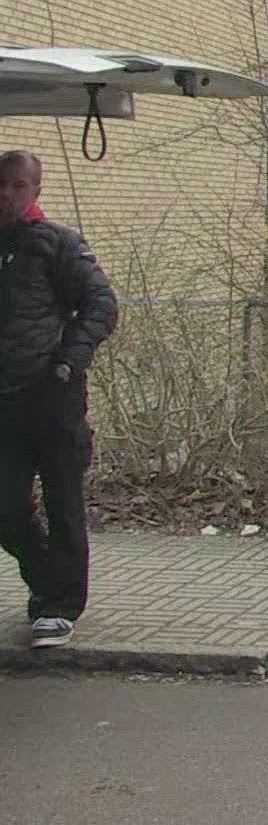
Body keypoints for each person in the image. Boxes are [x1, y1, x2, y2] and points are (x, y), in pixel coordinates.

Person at [0, 150, 117, 649]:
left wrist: (69, 360)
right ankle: (48, 581)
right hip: (5, 403)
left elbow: (101, 304)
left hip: (52, 395)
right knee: (6, 507)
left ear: (36, 191)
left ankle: (60, 607)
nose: (7, 195)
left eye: (18, 186)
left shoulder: (59, 244)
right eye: (1, 185)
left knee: (63, 503)